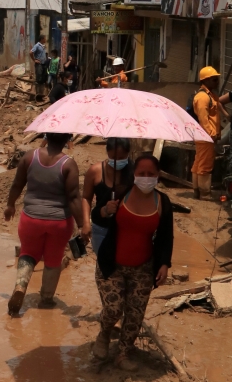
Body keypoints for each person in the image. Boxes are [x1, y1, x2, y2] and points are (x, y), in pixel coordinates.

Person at [93, 154, 173, 371]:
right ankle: (104, 333)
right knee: (113, 309)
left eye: (151, 174)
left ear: (158, 176)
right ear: (134, 174)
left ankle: (123, 353)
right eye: (141, 173)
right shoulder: (119, 194)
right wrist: (105, 210)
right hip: (111, 265)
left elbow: (166, 237)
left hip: (143, 268)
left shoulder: (162, 202)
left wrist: (164, 264)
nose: (146, 178)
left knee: (135, 314)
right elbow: (96, 216)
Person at [4, 132, 85, 316]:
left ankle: (20, 285)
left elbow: (17, 184)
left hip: (31, 218)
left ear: (46, 136)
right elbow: (73, 198)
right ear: (67, 140)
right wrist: (82, 225)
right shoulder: (68, 164)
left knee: (27, 253)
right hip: (59, 222)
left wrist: (10, 205)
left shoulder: (29, 156)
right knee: (53, 260)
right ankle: (46, 300)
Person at [82, 138, 133, 254]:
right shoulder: (95, 171)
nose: (117, 161)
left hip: (127, 230)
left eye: (122, 158)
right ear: (107, 153)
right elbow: (86, 197)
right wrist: (86, 223)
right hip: (101, 228)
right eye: (114, 157)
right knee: (103, 266)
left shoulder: (133, 172)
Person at [191, 66, 221, 200]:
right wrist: (211, 134)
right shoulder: (203, 97)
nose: (217, 82)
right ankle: (205, 193)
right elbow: (204, 119)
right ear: (206, 80)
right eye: (214, 79)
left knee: (199, 163)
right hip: (206, 136)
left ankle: (197, 191)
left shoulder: (209, 95)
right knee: (205, 164)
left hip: (203, 135)